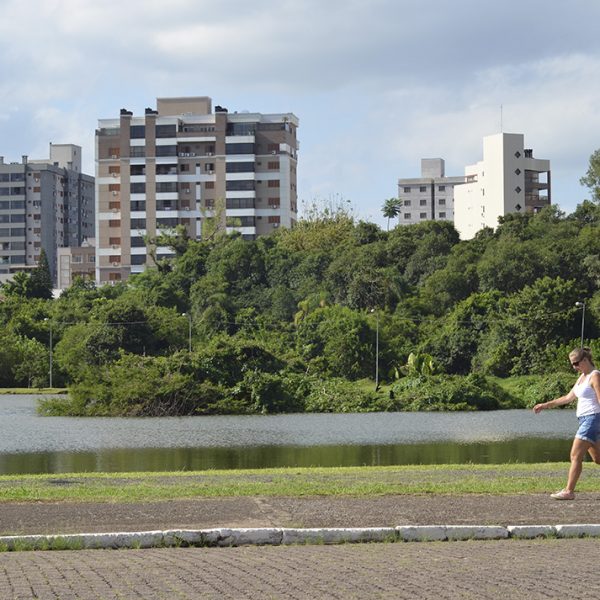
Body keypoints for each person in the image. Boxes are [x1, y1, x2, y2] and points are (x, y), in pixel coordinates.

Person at [533, 347, 600, 500]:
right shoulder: (582, 377)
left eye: (576, 363)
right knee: (598, 459)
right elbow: (567, 398)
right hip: (585, 420)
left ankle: (569, 491)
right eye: (572, 364)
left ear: (585, 360)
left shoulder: (595, 376)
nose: (574, 367)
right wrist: (545, 405)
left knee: (575, 455)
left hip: (592, 419)